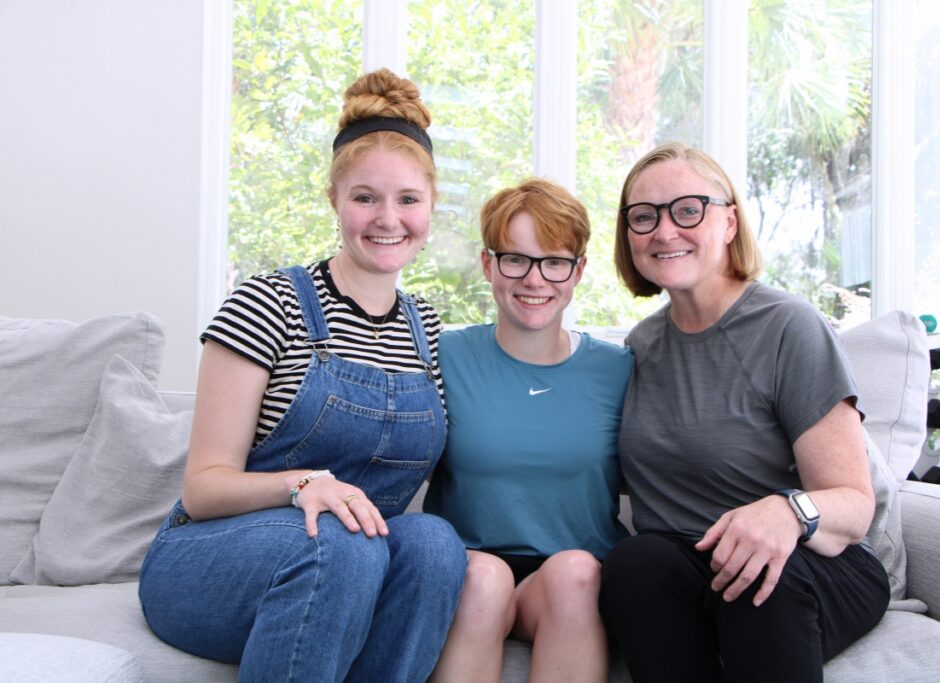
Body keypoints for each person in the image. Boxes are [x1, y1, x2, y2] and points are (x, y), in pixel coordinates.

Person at [138, 68, 466, 683]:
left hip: (350, 569)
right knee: (340, 539)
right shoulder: (269, 304)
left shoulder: (427, 330)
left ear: (431, 206)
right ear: (335, 201)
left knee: (433, 542)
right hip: (215, 564)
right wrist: (306, 482)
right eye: (365, 197)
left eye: (408, 199)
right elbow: (204, 489)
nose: (387, 218)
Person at [599, 143, 890, 682]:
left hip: (812, 566)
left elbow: (854, 505)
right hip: (690, 570)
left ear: (729, 221)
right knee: (635, 563)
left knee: (757, 576)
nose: (665, 231)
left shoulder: (788, 327)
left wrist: (785, 513)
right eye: (644, 217)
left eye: (688, 210)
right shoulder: (640, 347)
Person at [424, 178, 633, 683]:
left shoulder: (620, 369)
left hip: (574, 580)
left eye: (554, 261)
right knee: (483, 577)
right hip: (472, 573)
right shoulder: (442, 355)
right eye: (515, 259)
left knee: (573, 572)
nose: (534, 280)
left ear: (578, 270)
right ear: (488, 264)